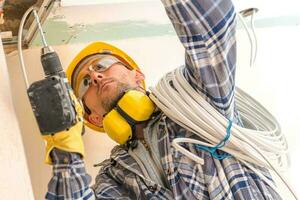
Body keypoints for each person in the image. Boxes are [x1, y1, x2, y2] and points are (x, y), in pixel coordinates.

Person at [44, 0, 282, 199]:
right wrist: (66, 152)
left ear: (138, 76)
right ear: (92, 116)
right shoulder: (114, 178)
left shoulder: (194, 101)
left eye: (103, 65)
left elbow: (213, 34)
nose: (95, 76)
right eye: (85, 83)